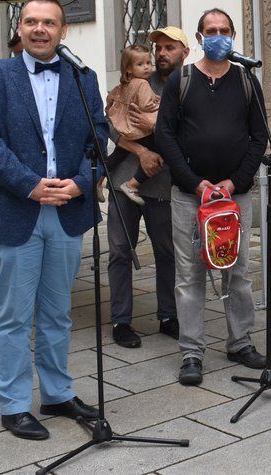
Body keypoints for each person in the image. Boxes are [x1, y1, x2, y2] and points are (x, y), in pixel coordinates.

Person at [0, 0, 107, 440]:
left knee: (58, 312)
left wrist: (81, 183)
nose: (39, 29)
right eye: (31, 21)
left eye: (48, 22)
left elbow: (99, 137)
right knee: (14, 314)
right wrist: (29, 183)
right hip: (16, 208)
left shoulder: (83, 77)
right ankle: (13, 404)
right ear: (20, 28)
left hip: (67, 209)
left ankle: (58, 393)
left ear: (64, 31)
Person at [156, 8, 268, 385]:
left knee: (238, 271)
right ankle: (192, 351)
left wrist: (235, 182)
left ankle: (241, 342)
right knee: (189, 274)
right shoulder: (182, 80)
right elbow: (165, 136)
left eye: (224, 30)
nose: (218, 36)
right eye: (211, 30)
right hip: (190, 196)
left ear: (233, 36)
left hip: (236, 196)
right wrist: (197, 183)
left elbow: (259, 137)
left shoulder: (247, 80)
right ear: (200, 37)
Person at [105, 26, 189, 349]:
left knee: (167, 252)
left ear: (184, 52)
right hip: (124, 180)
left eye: (170, 47)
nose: (161, 53)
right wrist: (141, 151)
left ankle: (168, 315)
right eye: (159, 48)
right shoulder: (136, 80)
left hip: (164, 184)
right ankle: (121, 320)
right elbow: (111, 124)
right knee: (119, 251)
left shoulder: (191, 85)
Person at [105, 44, 161, 205]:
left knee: (118, 154)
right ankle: (132, 184)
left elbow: (110, 100)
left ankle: (98, 179)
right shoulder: (143, 83)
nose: (147, 67)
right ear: (129, 69)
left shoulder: (124, 84)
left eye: (148, 63)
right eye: (140, 64)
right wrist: (159, 102)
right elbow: (146, 105)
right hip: (140, 130)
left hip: (125, 128)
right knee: (159, 153)